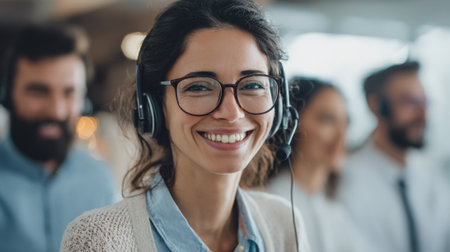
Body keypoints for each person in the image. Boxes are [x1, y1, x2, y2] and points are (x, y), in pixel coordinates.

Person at [60, 0, 311, 251]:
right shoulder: (99, 240)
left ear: (279, 105)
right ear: (155, 108)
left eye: (253, 85)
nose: (232, 113)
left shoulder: (285, 224)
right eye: (199, 87)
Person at [0, 24, 118, 252]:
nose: (56, 111)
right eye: (38, 91)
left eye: (69, 92)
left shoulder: (99, 180)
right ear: (8, 95)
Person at [338, 62, 450, 252]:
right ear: (377, 106)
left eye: (424, 102)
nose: (423, 113)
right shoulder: (345, 181)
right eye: (411, 102)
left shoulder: (433, 177)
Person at [265, 77, 372, 252]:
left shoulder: (336, 210)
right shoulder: (271, 205)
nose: (342, 135)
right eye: (328, 120)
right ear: (290, 124)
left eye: (347, 122)